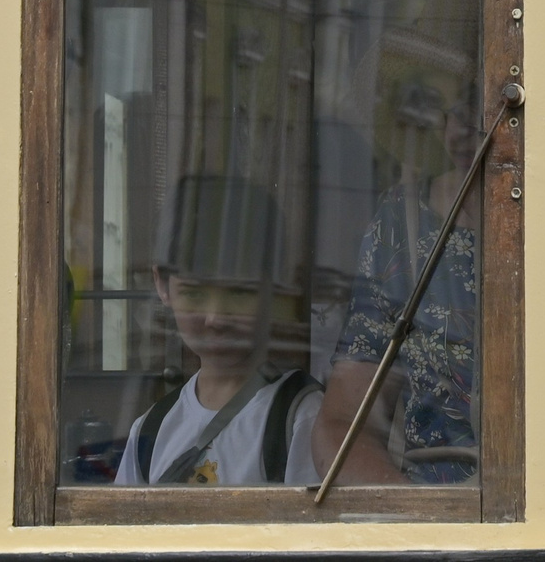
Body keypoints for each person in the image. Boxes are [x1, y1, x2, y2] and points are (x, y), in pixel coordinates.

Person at [315, 88, 483, 484]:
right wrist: (415, 524)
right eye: (458, 110)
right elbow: (343, 420)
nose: (465, 130)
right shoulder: (400, 218)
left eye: (489, 108)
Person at [114, 178, 323, 486]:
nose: (215, 318)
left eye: (238, 293)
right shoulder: (150, 430)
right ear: (162, 285)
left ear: (276, 289)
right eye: (194, 294)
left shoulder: (302, 419)